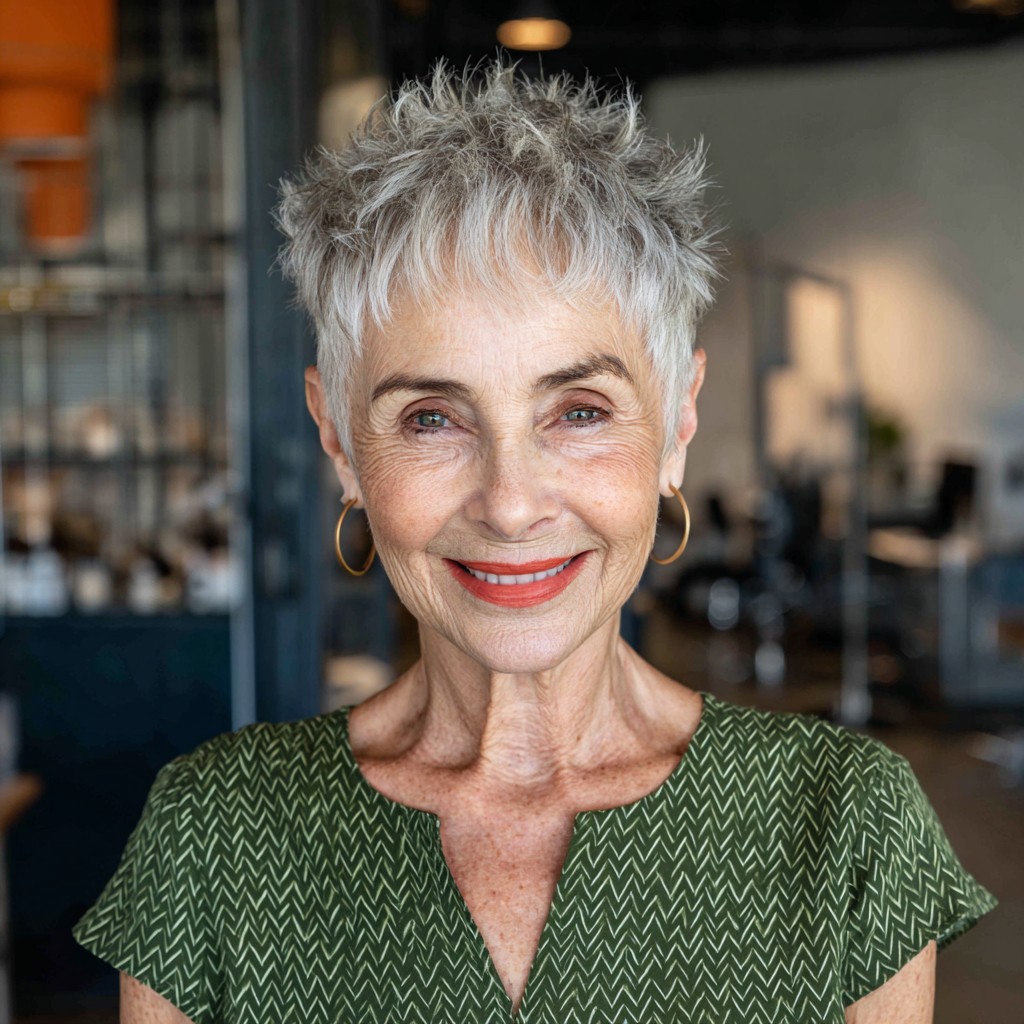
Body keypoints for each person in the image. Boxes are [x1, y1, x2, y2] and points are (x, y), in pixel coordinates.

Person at [73, 61, 996, 1024]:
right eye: (432, 418)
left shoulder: (846, 829)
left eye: (580, 411)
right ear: (340, 440)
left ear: (678, 422)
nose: (511, 505)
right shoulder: (216, 839)